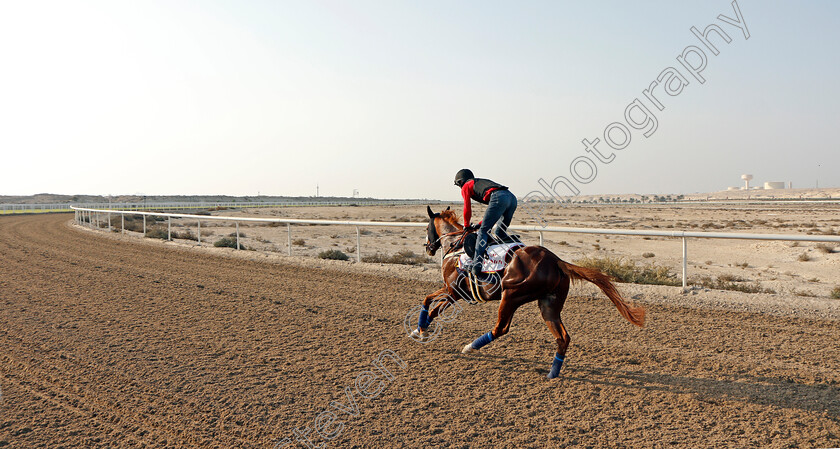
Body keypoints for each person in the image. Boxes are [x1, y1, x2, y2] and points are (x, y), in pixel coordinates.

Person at [454, 169, 518, 277]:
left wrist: (466, 225)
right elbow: (493, 213)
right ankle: (517, 248)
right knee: (499, 233)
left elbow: (467, 208)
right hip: (512, 198)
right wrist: (480, 223)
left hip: (499, 198)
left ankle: (477, 264)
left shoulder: (466, 186)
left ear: (460, 182)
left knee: (484, 231)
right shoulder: (479, 182)